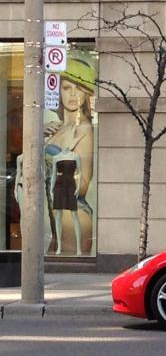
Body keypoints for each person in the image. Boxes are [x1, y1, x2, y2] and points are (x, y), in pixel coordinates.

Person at [44, 57, 96, 254]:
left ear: (86, 94)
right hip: (55, 215)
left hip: (71, 215)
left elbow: (82, 185)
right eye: (66, 88)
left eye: (79, 88)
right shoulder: (57, 129)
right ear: (58, 91)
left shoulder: (84, 130)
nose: (73, 94)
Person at [50, 149, 82, 255]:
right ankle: (59, 246)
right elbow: (54, 174)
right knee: (58, 215)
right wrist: (51, 189)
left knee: (74, 214)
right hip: (59, 185)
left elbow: (79, 172)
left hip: (71, 185)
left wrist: (78, 186)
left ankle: (79, 248)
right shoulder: (56, 157)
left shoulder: (76, 156)